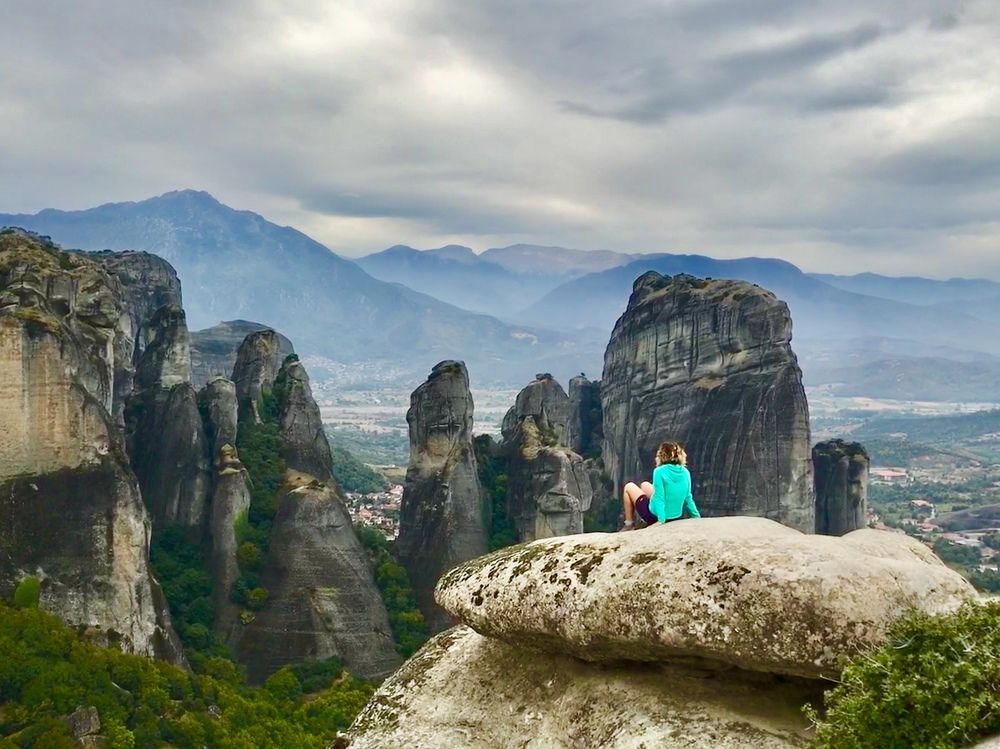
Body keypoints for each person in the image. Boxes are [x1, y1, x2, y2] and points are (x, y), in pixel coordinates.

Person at [621, 441, 700, 530]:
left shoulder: (659, 471)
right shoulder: (685, 472)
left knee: (629, 487)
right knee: (645, 485)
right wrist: (696, 517)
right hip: (675, 516)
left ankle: (629, 524)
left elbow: (660, 498)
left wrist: (661, 520)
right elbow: (688, 497)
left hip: (654, 516)